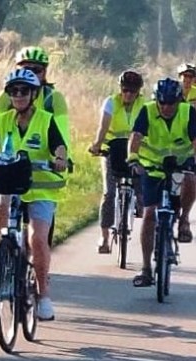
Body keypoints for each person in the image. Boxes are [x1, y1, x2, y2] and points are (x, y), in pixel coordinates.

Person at [0, 68, 68, 321]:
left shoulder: (46, 120)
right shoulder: (4, 120)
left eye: (25, 91)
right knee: (1, 205)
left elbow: (59, 144)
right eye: (14, 91)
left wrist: (59, 159)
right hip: (11, 181)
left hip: (40, 186)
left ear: (33, 94)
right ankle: (1, 256)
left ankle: (43, 295)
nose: (19, 95)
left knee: (37, 239)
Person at [127, 77, 196, 288]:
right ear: (157, 100)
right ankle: (145, 269)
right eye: (162, 102)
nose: (166, 107)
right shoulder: (147, 111)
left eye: (171, 102)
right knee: (150, 214)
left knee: (190, 177)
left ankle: (184, 220)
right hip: (152, 166)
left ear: (179, 101)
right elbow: (135, 136)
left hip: (181, 163)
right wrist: (133, 159)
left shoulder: (188, 112)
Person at [88, 69, 145, 254]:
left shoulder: (145, 105)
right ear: (120, 88)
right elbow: (103, 126)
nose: (128, 94)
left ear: (138, 91)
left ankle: (139, 204)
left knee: (141, 184)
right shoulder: (111, 102)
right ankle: (104, 238)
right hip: (111, 149)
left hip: (135, 150)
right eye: (125, 89)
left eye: (132, 91)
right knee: (109, 193)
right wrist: (97, 145)